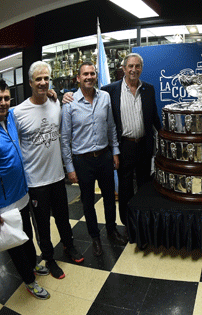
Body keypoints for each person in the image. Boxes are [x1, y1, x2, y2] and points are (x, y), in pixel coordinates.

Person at [63, 53, 161, 242]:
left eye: (137, 66)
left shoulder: (149, 89)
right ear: (123, 68)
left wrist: (164, 135)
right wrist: (62, 95)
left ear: (141, 68)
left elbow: (154, 118)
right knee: (124, 190)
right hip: (124, 147)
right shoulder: (110, 91)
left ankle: (142, 225)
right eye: (130, 66)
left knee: (144, 187)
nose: (133, 70)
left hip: (143, 147)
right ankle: (126, 225)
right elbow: (70, 131)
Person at [0, 80, 50, 300]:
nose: (3, 103)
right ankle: (29, 281)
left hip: (21, 195)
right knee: (15, 245)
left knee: (27, 237)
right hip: (3, 204)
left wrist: (47, 93)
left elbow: (28, 104)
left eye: (6, 98)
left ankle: (32, 266)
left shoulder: (10, 118)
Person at [13, 61, 84, 279]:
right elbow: (14, 146)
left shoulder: (55, 103)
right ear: (30, 83)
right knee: (42, 225)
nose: (43, 83)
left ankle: (68, 246)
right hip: (35, 182)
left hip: (57, 176)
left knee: (63, 217)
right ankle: (49, 258)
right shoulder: (18, 113)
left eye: (46, 78)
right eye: (38, 79)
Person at [60, 61, 124, 257]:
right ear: (78, 78)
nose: (89, 77)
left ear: (96, 76)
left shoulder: (104, 97)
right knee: (87, 202)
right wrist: (70, 168)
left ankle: (112, 231)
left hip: (104, 156)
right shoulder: (69, 103)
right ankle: (95, 237)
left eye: (92, 74)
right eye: (85, 74)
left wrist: (115, 152)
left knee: (109, 198)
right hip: (82, 160)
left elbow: (111, 127)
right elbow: (64, 139)